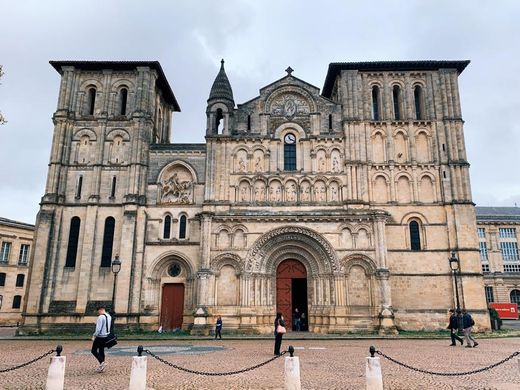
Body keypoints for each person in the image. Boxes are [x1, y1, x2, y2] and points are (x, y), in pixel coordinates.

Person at [91, 305, 112, 372]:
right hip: (106, 336)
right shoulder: (109, 316)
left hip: (100, 337)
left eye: (98, 312)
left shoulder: (100, 317)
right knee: (101, 350)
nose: (98, 313)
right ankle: (101, 366)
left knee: (93, 350)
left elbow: (98, 329)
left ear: (100, 310)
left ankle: (102, 362)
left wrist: (94, 336)